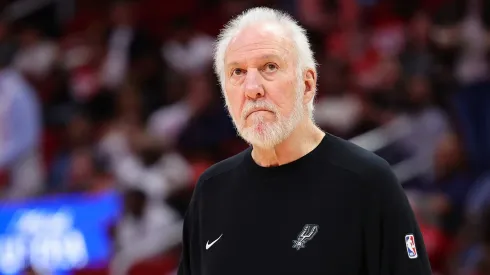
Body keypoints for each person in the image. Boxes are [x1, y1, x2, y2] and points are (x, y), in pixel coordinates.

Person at [177, 7, 432, 275]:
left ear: (307, 84)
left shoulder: (368, 181)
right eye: (237, 72)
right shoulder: (210, 190)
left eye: (270, 67)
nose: (252, 88)